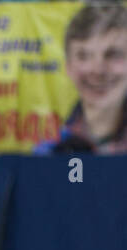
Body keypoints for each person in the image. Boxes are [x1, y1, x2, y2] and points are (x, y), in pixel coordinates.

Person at [37, 3, 127, 153]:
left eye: (113, 54)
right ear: (68, 67)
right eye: (84, 56)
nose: (98, 70)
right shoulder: (50, 150)